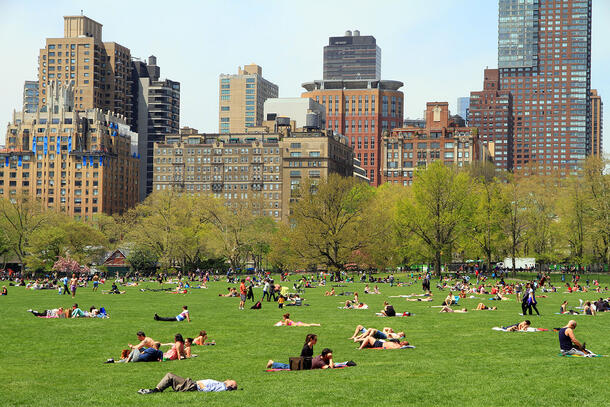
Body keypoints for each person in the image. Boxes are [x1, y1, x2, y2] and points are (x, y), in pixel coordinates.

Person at [138, 373, 237, 394]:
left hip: (193, 386)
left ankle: (154, 391)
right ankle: (155, 390)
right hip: (193, 384)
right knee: (171, 377)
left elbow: (207, 390)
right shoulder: (221, 385)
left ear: (230, 385)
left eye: (230, 380)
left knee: (170, 376)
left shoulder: (223, 387)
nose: (228, 379)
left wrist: (200, 385)